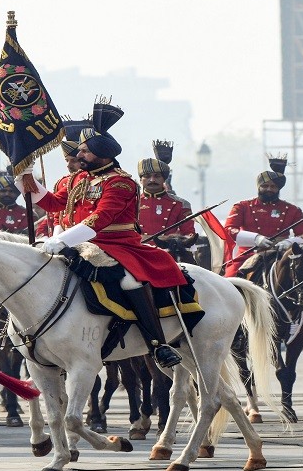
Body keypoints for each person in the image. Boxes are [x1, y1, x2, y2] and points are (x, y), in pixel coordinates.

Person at [18, 100, 187, 369]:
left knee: (130, 282)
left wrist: (61, 240)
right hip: (79, 243)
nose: (79, 154)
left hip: (118, 246)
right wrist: (25, 180)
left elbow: (99, 220)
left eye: (84, 151)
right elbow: (53, 204)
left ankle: (157, 344)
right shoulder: (78, 179)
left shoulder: (120, 181)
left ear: (101, 154)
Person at [222, 155, 303, 278]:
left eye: (273, 187)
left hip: (281, 255)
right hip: (249, 254)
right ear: (258, 187)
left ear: (278, 189)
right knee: (230, 280)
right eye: (265, 186)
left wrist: (287, 243)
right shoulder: (242, 206)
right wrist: (256, 239)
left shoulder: (293, 210)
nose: (269, 189)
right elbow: (229, 230)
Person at [136, 150, 195, 250]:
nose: (152, 180)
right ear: (141, 180)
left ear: (164, 179)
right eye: (147, 176)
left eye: (157, 176)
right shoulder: (131, 202)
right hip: (138, 252)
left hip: (170, 253)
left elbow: (189, 234)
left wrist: (173, 241)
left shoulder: (181, 204)